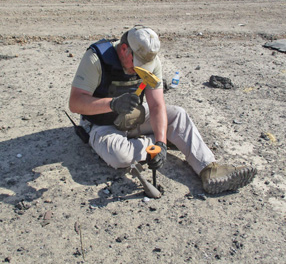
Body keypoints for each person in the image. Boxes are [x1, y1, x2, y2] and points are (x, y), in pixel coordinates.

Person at [68, 26, 257, 194]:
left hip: (133, 116)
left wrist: (160, 143)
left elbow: (157, 105)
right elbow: (75, 103)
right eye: (138, 66)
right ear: (125, 50)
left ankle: (208, 169)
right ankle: (167, 137)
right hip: (102, 123)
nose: (140, 71)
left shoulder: (151, 60)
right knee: (120, 156)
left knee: (178, 115)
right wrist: (111, 104)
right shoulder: (96, 58)